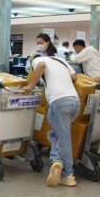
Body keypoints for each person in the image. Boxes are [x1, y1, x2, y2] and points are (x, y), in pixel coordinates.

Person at [23, 50, 79, 187]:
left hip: (59, 102)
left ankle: (67, 175)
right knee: (56, 135)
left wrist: (31, 85)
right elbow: (74, 77)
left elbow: (41, 66)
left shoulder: (37, 60)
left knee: (63, 138)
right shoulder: (60, 60)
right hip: (75, 101)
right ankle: (57, 160)